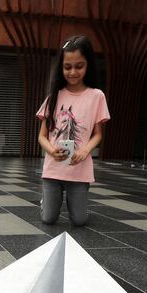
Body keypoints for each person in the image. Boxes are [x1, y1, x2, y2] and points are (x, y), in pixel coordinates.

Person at [36, 35, 110, 226]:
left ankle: (77, 204)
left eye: (79, 66)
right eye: (67, 67)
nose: (73, 72)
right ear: (61, 67)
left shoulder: (96, 96)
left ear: (88, 65)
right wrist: (52, 151)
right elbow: (42, 137)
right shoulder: (54, 96)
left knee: (79, 220)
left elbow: (98, 134)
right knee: (48, 219)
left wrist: (86, 151)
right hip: (53, 169)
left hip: (80, 169)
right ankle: (48, 200)